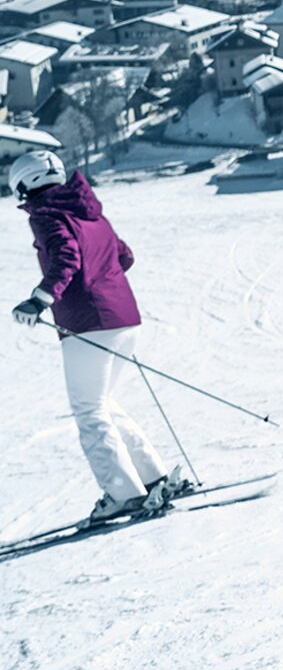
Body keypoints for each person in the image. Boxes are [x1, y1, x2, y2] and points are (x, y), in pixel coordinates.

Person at [9, 150, 183, 525]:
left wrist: (40, 300)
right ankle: (153, 477)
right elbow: (124, 256)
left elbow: (66, 257)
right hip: (125, 319)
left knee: (89, 411)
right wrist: (104, 282)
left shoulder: (47, 215)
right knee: (104, 403)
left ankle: (124, 493)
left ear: (26, 183)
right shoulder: (90, 212)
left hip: (90, 321)